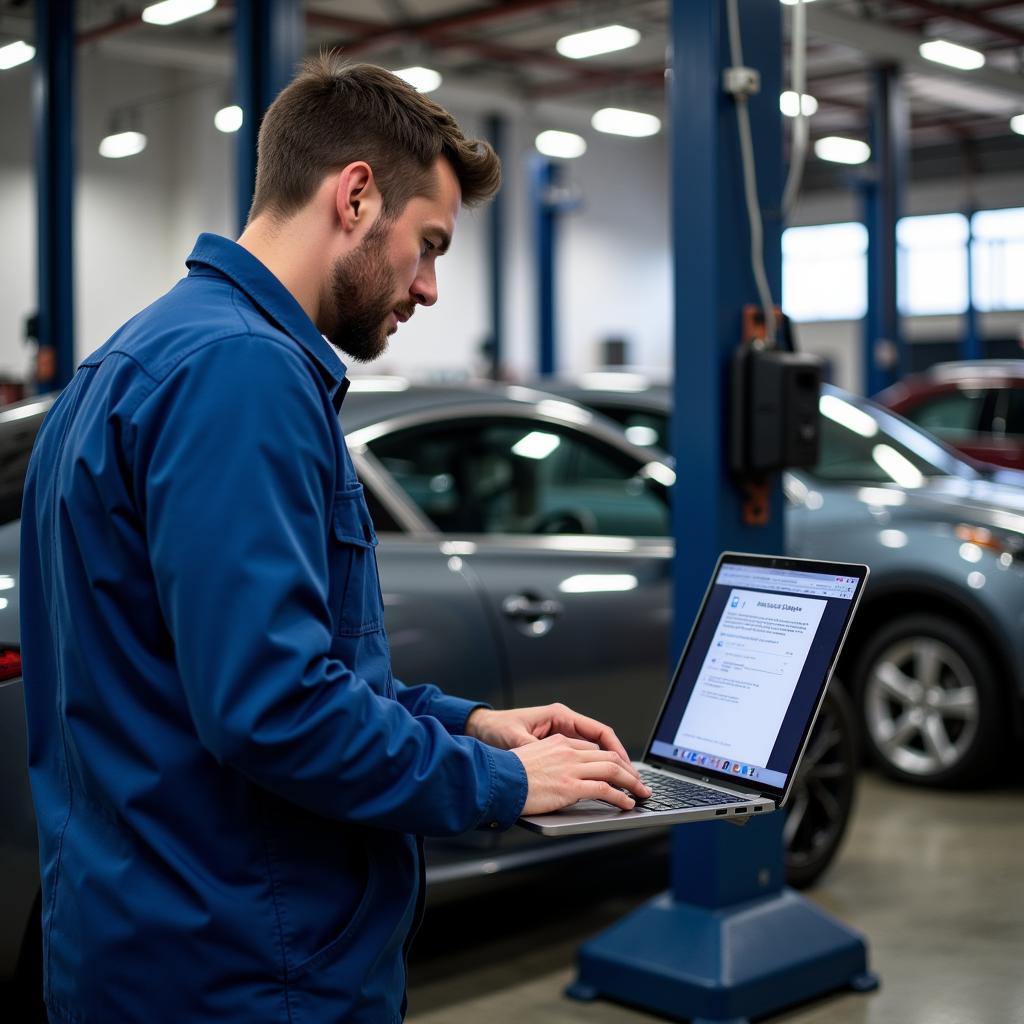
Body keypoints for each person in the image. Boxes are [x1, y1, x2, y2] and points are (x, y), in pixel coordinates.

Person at [20, 56, 650, 1024]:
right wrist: (500, 779)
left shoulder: (143, 353)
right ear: (355, 195)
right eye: (428, 243)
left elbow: (260, 667)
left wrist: (469, 721)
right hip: (245, 964)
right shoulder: (243, 372)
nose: (431, 287)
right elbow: (270, 707)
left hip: (151, 937)